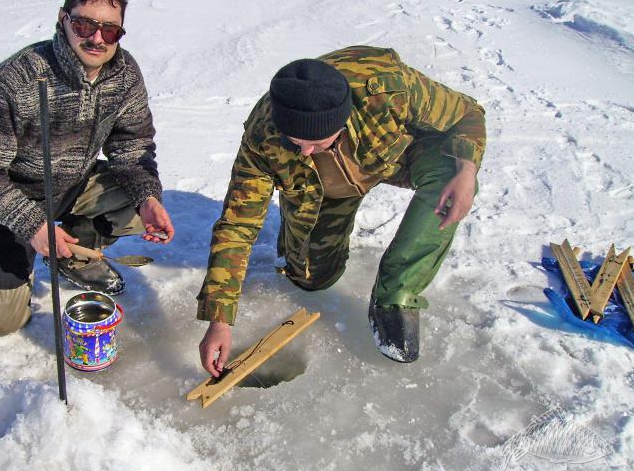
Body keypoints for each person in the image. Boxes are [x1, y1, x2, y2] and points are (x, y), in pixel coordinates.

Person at [197, 45, 485, 374]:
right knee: (313, 280)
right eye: (294, 142)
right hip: (321, 189)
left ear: (342, 119)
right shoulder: (263, 136)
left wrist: (466, 169)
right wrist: (219, 320)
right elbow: (237, 225)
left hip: (391, 158)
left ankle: (395, 294)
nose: (304, 151)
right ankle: (296, 235)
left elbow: (467, 114)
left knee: (452, 173)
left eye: (316, 142)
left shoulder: (387, 89)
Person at [0, 0, 174, 339]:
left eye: (110, 30)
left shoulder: (124, 74)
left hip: (67, 185)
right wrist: (33, 227)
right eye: (85, 24)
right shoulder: (13, 83)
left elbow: (131, 146)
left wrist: (148, 198)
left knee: (134, 206)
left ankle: (76, 255)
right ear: (63, 19)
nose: (96, 38)